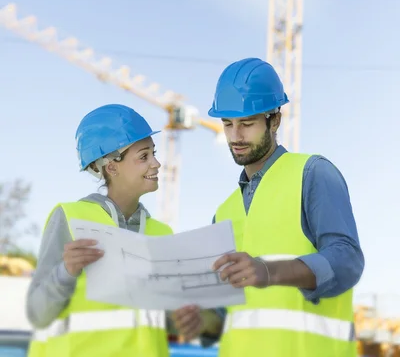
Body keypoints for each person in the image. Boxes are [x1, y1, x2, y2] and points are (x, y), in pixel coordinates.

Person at [173, 57, 364, 357]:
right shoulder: (223, 212)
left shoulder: (312, 173)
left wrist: (270, 271)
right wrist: (202, 321)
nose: (235, 136)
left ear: (274, 120)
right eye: (227, 124)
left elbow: (347, 260)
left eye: (247, 124)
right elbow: (226, 313)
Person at [26, 103, 174, 357]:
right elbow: (38, 314)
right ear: (112, 167)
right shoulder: (71, 218)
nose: (157, 163)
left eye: (154, 153)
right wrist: (66, 271)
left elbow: (164, 322)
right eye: (144, 156)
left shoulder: (162, 234)